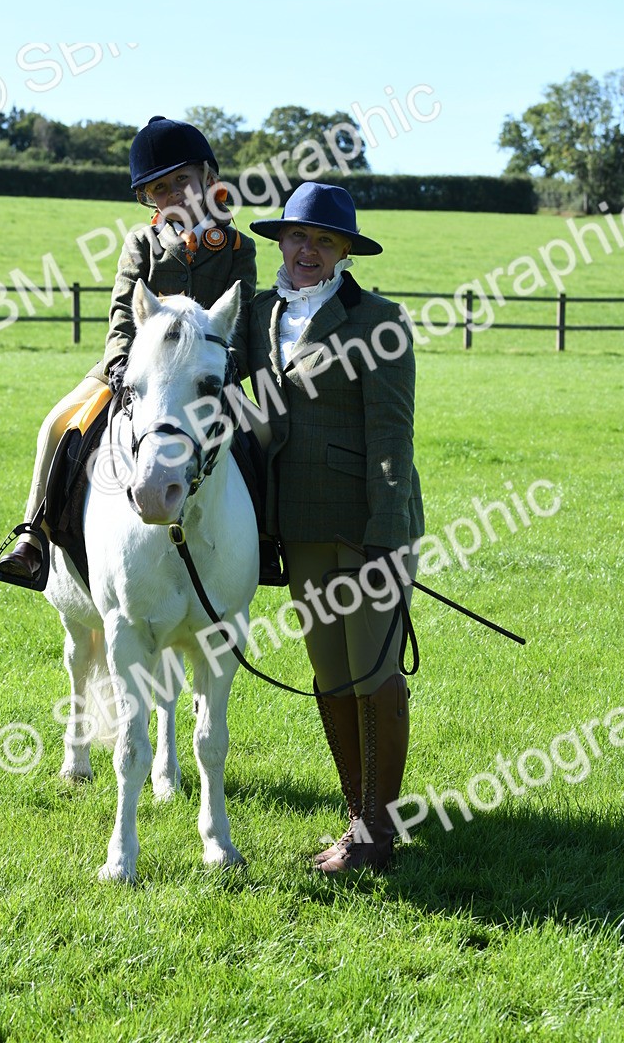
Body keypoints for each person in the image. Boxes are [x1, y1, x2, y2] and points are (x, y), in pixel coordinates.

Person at [245, 182, 425, 873]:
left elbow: (392, 437)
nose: (308, 250)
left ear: (345, 251)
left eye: (324, 240)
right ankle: (359, 817)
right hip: (296, 524)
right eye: (299, 236)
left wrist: (386, 531)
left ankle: (377, 834)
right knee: (330, 673)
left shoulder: (378, 320)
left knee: (374, 670)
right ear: (281, 241)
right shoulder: (258, 315)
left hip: (366, 524)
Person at [0, 115, 258, 584]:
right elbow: (123, 311)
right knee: (56, 424)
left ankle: (268, 539)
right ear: (148, 198)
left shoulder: (239, 247)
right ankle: (33, 534)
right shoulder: (142, 242)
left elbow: (240, 320)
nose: (174, 194)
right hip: (136, 368)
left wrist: (225, 372)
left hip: (208, 374)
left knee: (265, 438)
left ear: (208, 177)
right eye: (160, 189)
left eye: (182, 180)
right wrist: (121, 366)